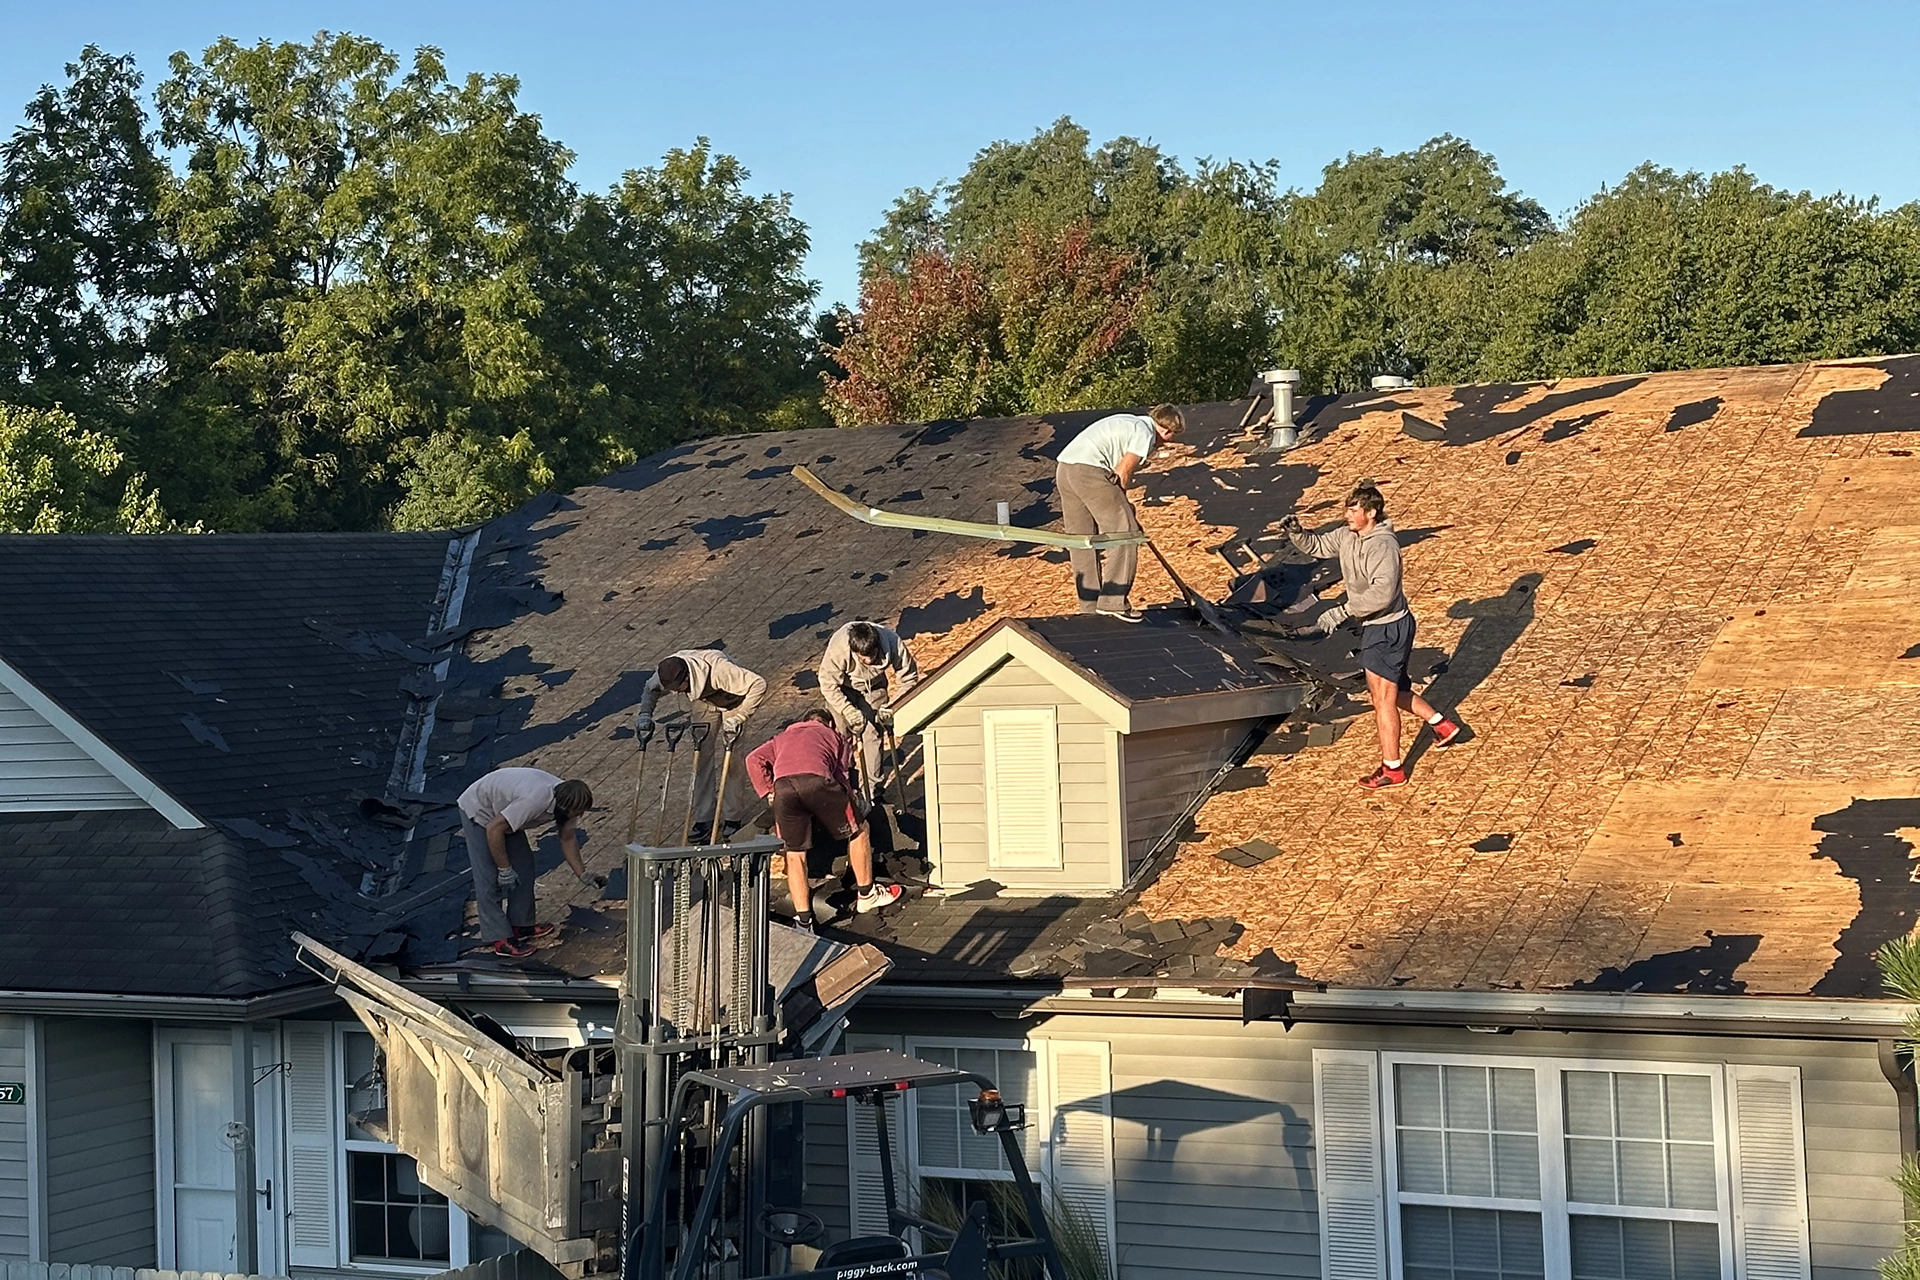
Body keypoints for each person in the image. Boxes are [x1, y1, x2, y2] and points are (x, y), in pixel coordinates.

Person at [1282, 481, 1465, 789]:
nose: (1347, 515)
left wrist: (1340, 612)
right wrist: (1297, 533)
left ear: (1372, 512)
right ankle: (1442, 725)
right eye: (1347, 509)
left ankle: (1393, 769)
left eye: (1353, 510)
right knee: (1395, 691)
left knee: (1382, 700)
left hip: (1388, 628)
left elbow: (1382, 594)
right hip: (1378, 628)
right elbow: (1320, 546)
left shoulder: (1384, 547)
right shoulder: (1347, 535)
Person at [746, 711, 904, 931]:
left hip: (783, 788)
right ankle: (867, 895)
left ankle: (803, 922)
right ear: (829, 723)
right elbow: (842, 776)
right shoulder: (835, 736)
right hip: (817, 781)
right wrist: (855, 806)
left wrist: (769, 791)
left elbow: (753, 759)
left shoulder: (780, 739)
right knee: (859, 831)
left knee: (794, 854)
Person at [1054, 404, 1185, 621]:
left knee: (1082, 540)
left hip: (1065, 469)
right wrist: (1125, 505)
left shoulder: (1129, 421)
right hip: (1089, 471)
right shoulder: (1145, 433)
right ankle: (1113, 602)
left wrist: (1122, 506)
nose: (1163, 444)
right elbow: (1122, 471)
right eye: (1170, 437)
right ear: (1167, 431)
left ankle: (1089, 606)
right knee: (1125, 534)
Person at [458, 767, 601, 958]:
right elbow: (493, 829)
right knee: (489, 878)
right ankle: (500, 939)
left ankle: (521, 925)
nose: (580, 815)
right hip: (480, 809)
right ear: (564, 808)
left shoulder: (569, 799)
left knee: (524, 868)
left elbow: (567, 838)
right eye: (577, 812)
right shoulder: (534, 801)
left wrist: (582, 874)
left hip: (504, 809)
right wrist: (504, 869)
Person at [632, 649, 767, 833]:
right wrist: (645, 714)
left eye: (677, 689)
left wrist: (740, 717)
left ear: (687, 678)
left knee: (733, 760)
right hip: (703, 702)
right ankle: (704, 818)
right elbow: (650, 689)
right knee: (700, 757)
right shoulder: (667, 672)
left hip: (734, 701)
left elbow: (759, 684)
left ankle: (732, 818)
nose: (675, 693)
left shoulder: (721, 670)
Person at [817, 619, 920, 803]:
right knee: (841, 737)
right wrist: (847, 710)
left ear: (877, 645)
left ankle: (872, 791)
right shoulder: (839, 647)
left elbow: (909, 677)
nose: (868, 660)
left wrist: (893, 705)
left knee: (873, 734)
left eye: (871, 655)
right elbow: (827, 684)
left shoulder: (892, 641)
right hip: (842, 689)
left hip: (875, 687)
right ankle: (845, 786)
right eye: (862, 657)